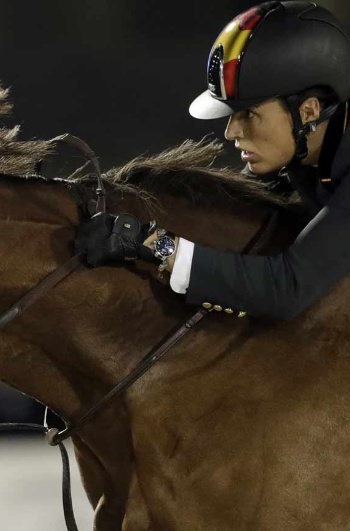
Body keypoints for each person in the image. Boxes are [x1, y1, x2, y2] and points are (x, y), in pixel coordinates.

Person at [74, 0, 350, 320]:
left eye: (249, 114)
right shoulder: (306, 146)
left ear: (309, 111)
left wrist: (150, 242)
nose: (231, 131)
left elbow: (286, 289)